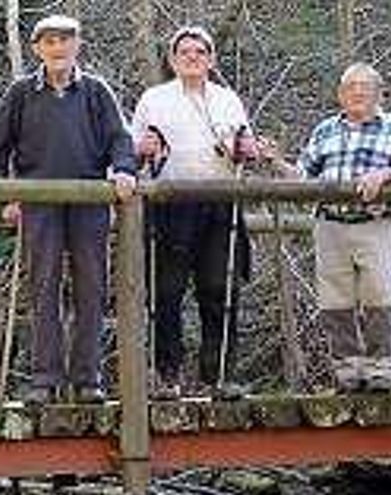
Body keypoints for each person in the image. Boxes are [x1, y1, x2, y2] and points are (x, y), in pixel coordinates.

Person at [0, 14, 136, 404]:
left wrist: (122, 170)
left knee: (92, 288)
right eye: (49, 41)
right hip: (39, 203)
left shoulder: (97, 91)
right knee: (43, 287)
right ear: (37, 49)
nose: (58, 48)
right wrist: (6, 195)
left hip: (90, 202)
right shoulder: (21, 93)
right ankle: (44, 379)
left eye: (65, 40)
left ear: (77, 45)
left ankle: (88, 378)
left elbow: (121, 139)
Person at [132, 26, 259, 399]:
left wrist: (248, 149)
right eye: (184, 51)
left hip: (221, 203)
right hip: (169, 204)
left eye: (200, 51)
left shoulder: (228, 100)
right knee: (165, 294)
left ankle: (218, 376)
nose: (192, 56)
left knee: (220, 290)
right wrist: (143, 148)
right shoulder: (153, 99)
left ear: (211, 58)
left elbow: (244, 147)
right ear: (172, 60)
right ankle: (166, 377)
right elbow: (132, 154)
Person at [295, 62, 391, 392]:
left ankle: (381, 368)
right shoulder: (325, 129)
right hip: (330, 224)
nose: (357, 92)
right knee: (334, 300)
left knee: (382, 295)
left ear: (378, 92)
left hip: (376, 222)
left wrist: (386, 175)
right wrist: (273, 161)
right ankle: (347, 370)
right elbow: (302, 175)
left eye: (364, 86)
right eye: (350, 86)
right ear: (340, 94)